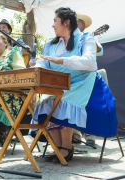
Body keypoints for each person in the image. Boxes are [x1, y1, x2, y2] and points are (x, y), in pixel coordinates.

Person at [30, 7, 117, 163]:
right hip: (59, 84)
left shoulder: (86, 38)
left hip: (82, 82)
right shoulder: (50, 44)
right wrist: (36, 68)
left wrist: (62, 60)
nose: (52, 25)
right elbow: (43, 63)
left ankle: (66, 147)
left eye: (55, 21)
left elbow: (90, 62)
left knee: (63, 101)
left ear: (66, 22)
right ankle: (57, 147)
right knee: (45, 103)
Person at [73, 13, 104, 146]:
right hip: (73, 77)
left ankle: (90, 134)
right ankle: (74, 133)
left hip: (87, 77)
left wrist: (91, 38)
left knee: (89, 100)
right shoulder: (66, 39)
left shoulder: (88, 36)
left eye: (76, 22)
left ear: (82, 25)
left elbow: (100, 51)